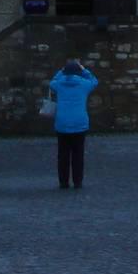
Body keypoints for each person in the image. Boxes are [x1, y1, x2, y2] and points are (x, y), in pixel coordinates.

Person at [48, 57, 99, 189]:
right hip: (79, 123)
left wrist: (61, 70)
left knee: (63, 155)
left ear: (65, 71)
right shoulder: (84, 84)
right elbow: (94, 81)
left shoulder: (59, 84)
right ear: (78, 72)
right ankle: (77, 181)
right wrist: (84, 69)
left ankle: (63, 182)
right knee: (78, 154)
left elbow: (52, 82)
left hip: (62, 123)